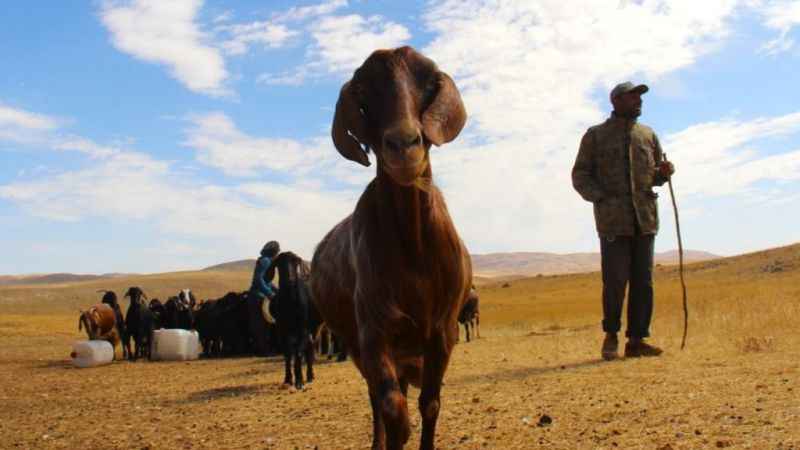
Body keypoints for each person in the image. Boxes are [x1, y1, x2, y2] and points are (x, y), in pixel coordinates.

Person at [572, 81, 675, 360]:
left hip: (645, 219)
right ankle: (612, 335)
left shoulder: (648, 135)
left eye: (640, 98)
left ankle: (637, 340)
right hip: (613, 222)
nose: (638, 102)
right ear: (616, 101)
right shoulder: (595, 136)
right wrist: (601, 199)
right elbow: (580, 176)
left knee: (644, 282)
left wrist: (664, 173)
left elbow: (654, 176)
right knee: (615, 282)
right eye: (633, 97)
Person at [247, 240, 280, 355]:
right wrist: (270, 293)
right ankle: (263, 350)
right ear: (274, 252)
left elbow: (267, 281)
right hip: (258, 296)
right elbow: (258, 280)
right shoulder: (266, 261)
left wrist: (277, 290)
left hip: (258, 295)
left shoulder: (266, 260)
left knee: (262, 325)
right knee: (261, 325)